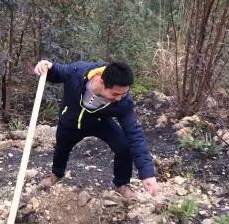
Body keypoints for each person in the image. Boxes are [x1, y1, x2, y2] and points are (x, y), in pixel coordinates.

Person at [33, 59, 158, 200]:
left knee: (124, 147)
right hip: (71, 120)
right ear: (101, 82)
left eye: (123, 94)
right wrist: (46, 66)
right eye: (115, 94)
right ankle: (56, 174)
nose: (119, 99)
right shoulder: (77, 72)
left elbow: (134, 133)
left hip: (100, 122)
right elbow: (57, 72)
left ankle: (122, 184)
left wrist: (147, 173)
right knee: (62, 147)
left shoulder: (123, 102)